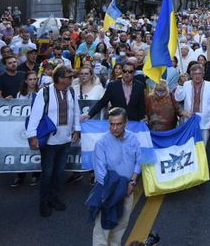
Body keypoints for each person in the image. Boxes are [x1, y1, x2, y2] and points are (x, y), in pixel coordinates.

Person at [26, 65, 82, 217]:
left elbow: (76, 111)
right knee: (48, 173)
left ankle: (54, 198)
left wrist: (77, 129)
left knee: (59, 173)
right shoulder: (44, 93)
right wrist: (32, 136)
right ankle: (44, 201)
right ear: (60, 78)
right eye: (69, 77)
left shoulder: (71, 91)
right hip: (50, 142)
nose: (72, 79)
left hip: (65, 140)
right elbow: (35, 116)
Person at [89, 107, 142, 246]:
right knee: (103, 228)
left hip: (128, 190)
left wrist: (132, 181)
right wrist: (119, 188)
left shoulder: (133, 139)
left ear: (126, 123)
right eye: (112, 124)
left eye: (118, 124)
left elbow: (138, 161)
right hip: (109, 192)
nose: (115, 128)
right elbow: (100, 174)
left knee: (121, 226)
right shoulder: (101, 143)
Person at [174, 63, 210, 144]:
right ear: (191, 75)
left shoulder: (209, 85)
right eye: (195, 74)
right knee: (190, 146)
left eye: (199, 73)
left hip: (205, 122)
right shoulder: (186, 84)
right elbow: (178, 98)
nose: (197, 76)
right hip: (189, 121)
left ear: (203, 74)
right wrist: (180, 84)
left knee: (202, 146)